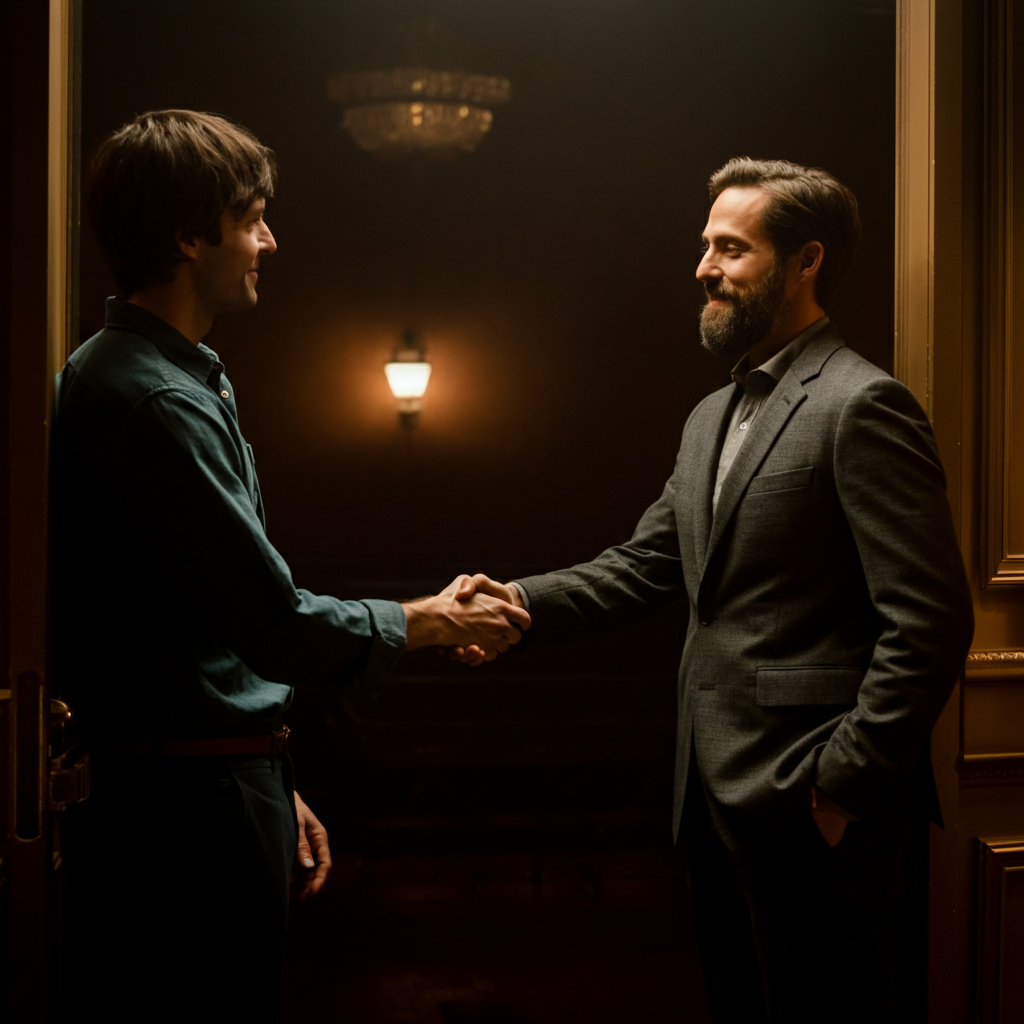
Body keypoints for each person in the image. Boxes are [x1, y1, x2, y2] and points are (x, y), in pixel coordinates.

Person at [455, 158, 974, 1022]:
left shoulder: (863, 406)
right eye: (706, 247)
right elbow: (645, 565)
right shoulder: (711, 417)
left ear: (805, 261)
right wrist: (515, 600)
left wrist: (840, 786)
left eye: (731, 249)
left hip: (812, 808)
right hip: (711, 801)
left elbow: (929, 621)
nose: (705, 266)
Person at [51, 109, 530, 1023]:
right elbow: (271, 621)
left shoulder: (156, 375)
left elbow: (193, 629)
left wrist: (273, 778)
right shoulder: (153, 400)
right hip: (183, 809)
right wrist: (433, 619)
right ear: (190, 236)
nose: (270, 240)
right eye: (253, 218)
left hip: (211, 779)